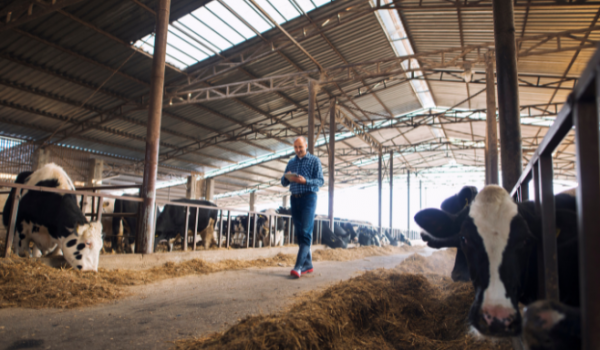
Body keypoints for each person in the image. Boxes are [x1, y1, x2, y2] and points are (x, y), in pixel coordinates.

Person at [281, 137, 324, 278]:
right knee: (299, 233)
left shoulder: (314, 160)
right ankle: (308, 264)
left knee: (306, 232)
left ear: (306, 145)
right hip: (294, 199)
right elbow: (283, 182)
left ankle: (298, 267)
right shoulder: (291, 162)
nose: (298, 150)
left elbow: (320, 181)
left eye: (300, 147)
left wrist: (305, 181)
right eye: (295, 147)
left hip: (309, 198)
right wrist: (287, 177)